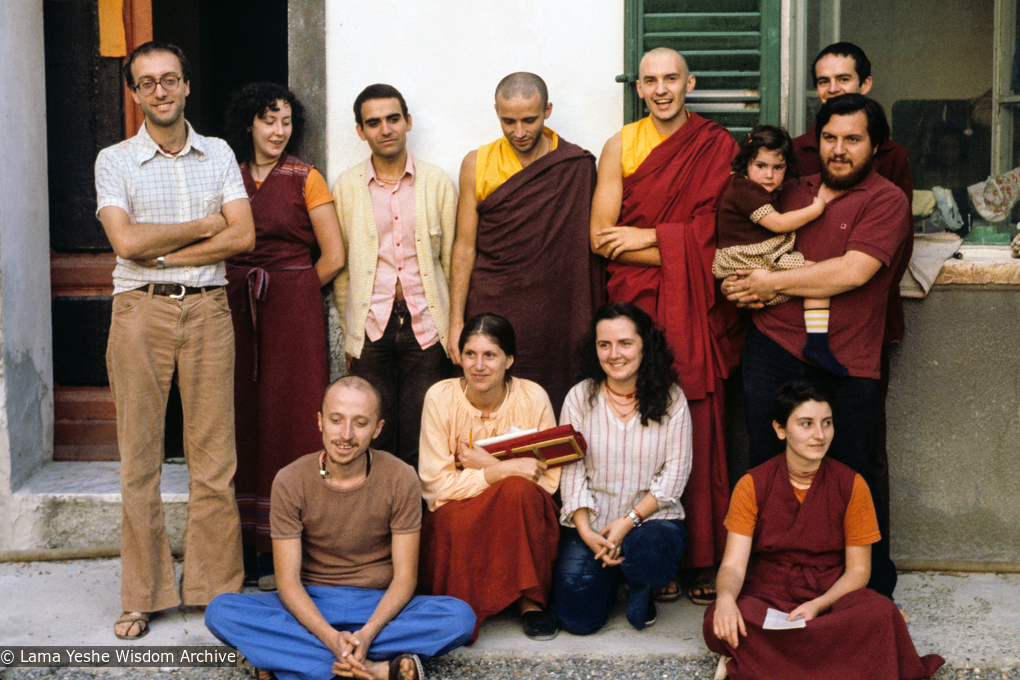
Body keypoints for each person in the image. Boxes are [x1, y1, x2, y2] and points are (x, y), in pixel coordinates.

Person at [94, 40, 255, 639]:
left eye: (170, 79)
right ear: (134, 93)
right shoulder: (114, 160)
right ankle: (143, 593)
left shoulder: (218, 154)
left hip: (210, 311)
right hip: (139, 313)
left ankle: (215, 591)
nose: (160, 91)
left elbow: (242, 237)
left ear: (187, 86)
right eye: (148, 82)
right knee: (139, 461)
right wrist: (203, 226)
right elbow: (126, 245)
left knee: (215, 461)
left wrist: (160, 245)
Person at [723, 94, 912, 599]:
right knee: (768, 466)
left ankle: (865, 590)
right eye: (830, 137)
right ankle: (769, 584)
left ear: (875, 147)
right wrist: (741, 280)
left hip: (846, 358)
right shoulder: (790, 190)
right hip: (772, 347)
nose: (839, 149)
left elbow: (853, 271)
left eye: (853, 139)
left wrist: (772, 283)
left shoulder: (887, 200)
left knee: (851, 473)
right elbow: (744, 242)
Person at [589, 46, 739, 603]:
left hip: (692, 304)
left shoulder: (716, 145)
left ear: (689, 83)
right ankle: (651, 552)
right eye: (650, 80)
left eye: (671, 79)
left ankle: (701, 555)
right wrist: (676, 243)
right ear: (638, 89)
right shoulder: (620, 145)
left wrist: (649, 238)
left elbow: (719, 238)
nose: (660, 89)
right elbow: (602, 237)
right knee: (641, 424)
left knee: (695, 421)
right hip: (636, 308)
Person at [205, 377, 475, 680]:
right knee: (221, 611)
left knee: (459, 617)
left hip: (379, 605)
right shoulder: (290, 480)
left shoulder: (401, 477)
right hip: (311, 603)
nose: (345, 435)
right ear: (320, 421)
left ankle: (292, 663)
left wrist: (369, 633)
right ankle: (374, 668)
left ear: (378, 428)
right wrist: (331, 638)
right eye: (336, 420)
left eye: (360, 423)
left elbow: (404, 578)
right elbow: (288, 583)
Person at [705, 380, 944, 680]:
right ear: (781, 430)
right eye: (806, 424)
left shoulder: (852, 484)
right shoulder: (752, 485)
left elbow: (859, 572)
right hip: (770, 593)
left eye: (827, 423)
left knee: (880, 613)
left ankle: (770, 663)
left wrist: (817, 606)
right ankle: (840, 662)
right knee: (722, 618)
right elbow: (733, 565)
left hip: (829, 594)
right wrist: (726, 599)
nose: (820, 435)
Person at [223, 82, 345, 592]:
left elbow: (334, 256)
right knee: (237, 417)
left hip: (292, 312)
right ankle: (241, 550)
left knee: (290, 418)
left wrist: (290, 293)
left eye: (286, 122)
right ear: (249, 124)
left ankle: (284, 549)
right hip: (232, 308)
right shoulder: (225, 173)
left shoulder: (305, 177)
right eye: (268, 120)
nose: (278, 131)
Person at [793, 42, 915, 540]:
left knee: (860, 447)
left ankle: (869, 567)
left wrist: (855, 289)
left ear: (865, 84)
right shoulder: (800, 149)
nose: (833, 89)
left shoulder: (891, 156)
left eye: (843, 79)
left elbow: (894, 242)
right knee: (796, 442)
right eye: (824, 82)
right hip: (794, 322)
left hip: (867, 321)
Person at [448, 72, 599, 414]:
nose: (519, 132)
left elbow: (580, 247)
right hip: (494, 299)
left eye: (529, 120)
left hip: (556, 309)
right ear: (496, 113)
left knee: (554, 397)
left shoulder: (574, 165)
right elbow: (464, 246)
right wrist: (456, 320)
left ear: (547, 110)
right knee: (491, 397)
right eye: (508, 121)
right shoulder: (477, 163)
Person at [333, 84, 457, 469]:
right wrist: (351, 333)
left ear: (407, 122)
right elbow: (343, 270)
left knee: (426, 433)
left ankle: (421, 523)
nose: (385, 129)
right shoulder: (346, 187)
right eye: (373, 123)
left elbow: (453, 260)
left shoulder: (435, 182)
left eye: (392, 119)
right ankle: (382, 523)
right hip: (372, 330)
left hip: (427, 329)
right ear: (360, 131)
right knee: (375, 433)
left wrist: (453, 327)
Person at [418, 313, 561, 641]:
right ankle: (465, 608)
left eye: (490, 355)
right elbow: (435, 487)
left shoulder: (532, 397)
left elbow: (548, 480)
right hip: (459, 510)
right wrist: (503, 468)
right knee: (476, 506)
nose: (478, 365)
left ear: (509, 360)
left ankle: (530, 601)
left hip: (517, 509)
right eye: (470, 354)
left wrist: (481, 464)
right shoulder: (440, 398)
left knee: (518, 493)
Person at [552, 302, 692, 634]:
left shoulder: (672, 399)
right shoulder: (579, 397)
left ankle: (639, 583)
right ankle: (611, 575)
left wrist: (628, 523)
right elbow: (571, 472)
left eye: (625, 343)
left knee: (649, 554)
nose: (615, 354)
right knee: (578, 621)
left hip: (650, 522)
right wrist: (586, 533)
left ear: (645, 344)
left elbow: (674, 476)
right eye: (605, 344)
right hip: (593, 523)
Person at [712, 125, 844, 376]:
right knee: (817, 276)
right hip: (750, 260)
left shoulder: (759, 189)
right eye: (761, 166)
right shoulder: (744, 189)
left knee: (812, 277)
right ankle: (817, 344)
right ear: (746, 164)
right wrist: (817, 208)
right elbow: (778, 223)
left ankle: (816, 344)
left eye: (778, 167)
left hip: (757, 259)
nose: (769, 175)